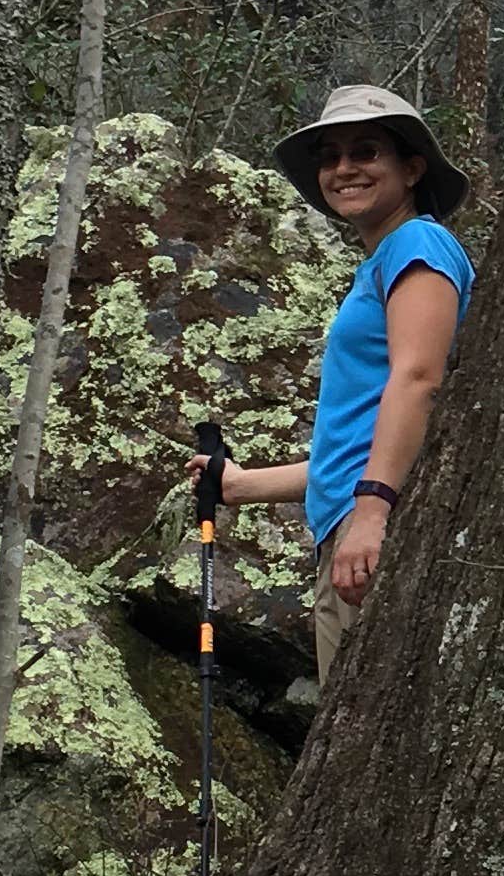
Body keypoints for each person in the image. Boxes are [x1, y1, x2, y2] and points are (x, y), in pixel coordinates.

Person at [197, 83, 476, 689]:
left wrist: (372, 514)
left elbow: (421, 378)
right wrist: (241, 485)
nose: (344, 168)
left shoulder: (418, 244)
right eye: (331, 156)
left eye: (366, 151)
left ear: (412, 168)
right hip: (354, 524)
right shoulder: (381, 262)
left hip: (375, 527)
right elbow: (358, 437)